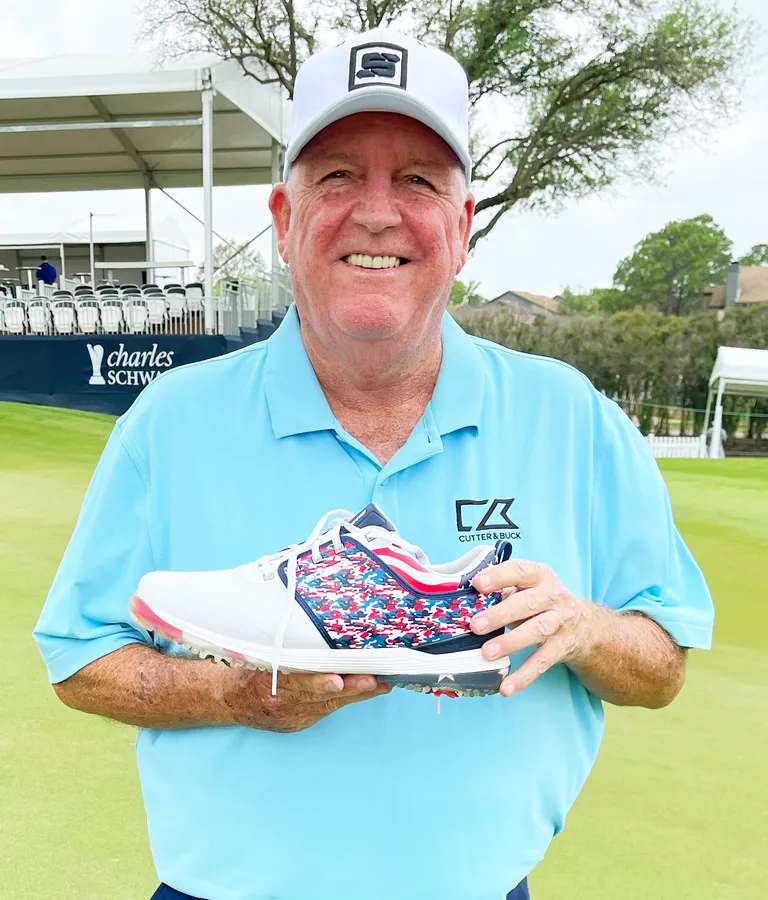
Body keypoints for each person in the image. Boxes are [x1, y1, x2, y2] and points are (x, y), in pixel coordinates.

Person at [34, 28, 713, 900]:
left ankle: (412, 603)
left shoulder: (572, 416)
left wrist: (581, 628)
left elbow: (663, 665)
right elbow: (79, 657)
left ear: (462, 228)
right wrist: (232, 696)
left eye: (419, 180)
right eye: (339, 176)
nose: (379, 213)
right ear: (285, 221)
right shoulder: (169, 421)